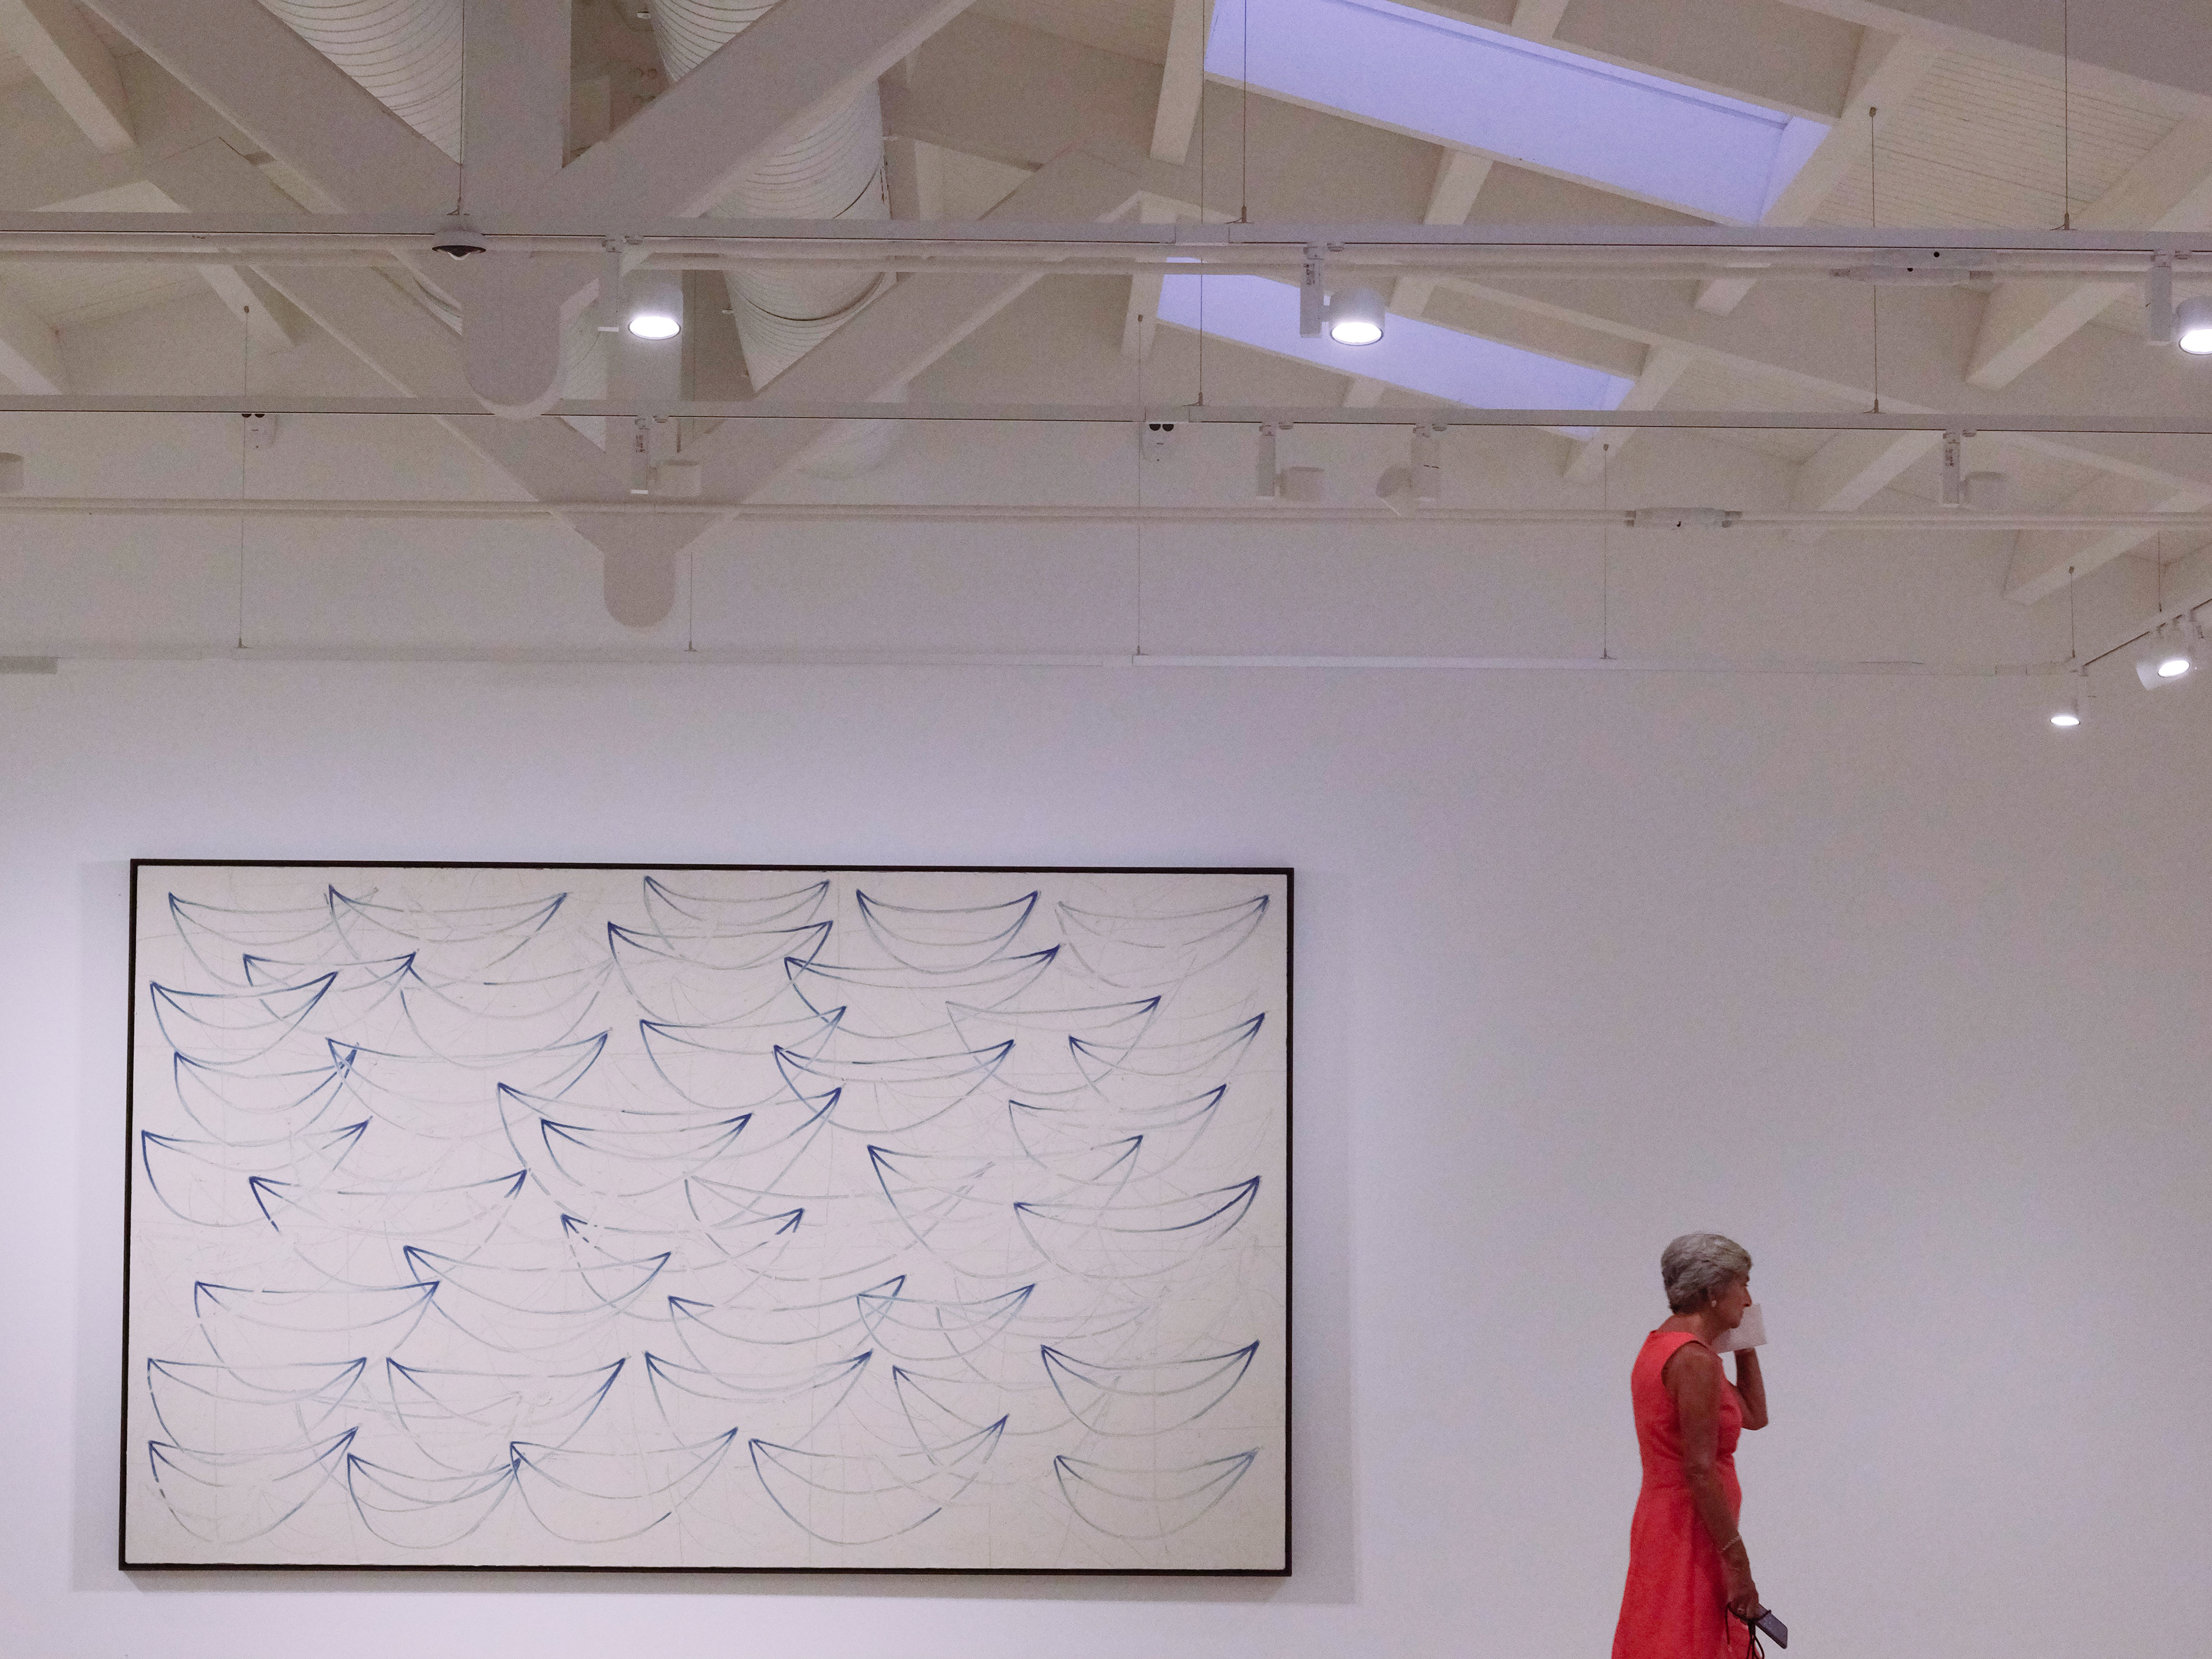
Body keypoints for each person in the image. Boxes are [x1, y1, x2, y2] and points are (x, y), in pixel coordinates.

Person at [1612, 1232, 1771, 1659]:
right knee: (1688, 1640)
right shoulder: (1694, 1361)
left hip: (1678, 1522)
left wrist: (1744, 1345)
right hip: (1691, 1528)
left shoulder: (1675, 1349)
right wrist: (1738, 1563)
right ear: (1712, 1291)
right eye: (1743, 1284)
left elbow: (1754, 1416)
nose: (1749, 1299)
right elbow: (1699, 1469)